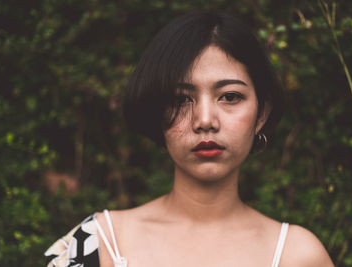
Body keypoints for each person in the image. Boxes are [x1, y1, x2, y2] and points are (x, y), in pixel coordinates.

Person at [45, 12, 334, 267]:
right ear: (157, 112)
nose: (205, 120)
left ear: (262, 113)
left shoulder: (297, 255)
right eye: (181, 99)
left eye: (230, 97)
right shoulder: (99, 244)